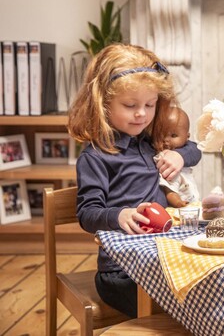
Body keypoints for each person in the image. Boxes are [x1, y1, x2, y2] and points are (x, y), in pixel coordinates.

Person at [68, 44, 202, 318]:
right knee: (190, 310)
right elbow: (87, 213)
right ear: (103, 103)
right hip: (121, 273)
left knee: (208, 290)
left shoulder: (150, 141)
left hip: (161, 259)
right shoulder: (96, 156)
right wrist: (120, 215)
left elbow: (194, 149)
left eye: (150, 105)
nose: (141, 113)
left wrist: (179, 156)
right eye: (130, 106)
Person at [155, 106, 201, 208]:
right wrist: (179, 203)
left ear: (187, 137)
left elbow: (197, 149)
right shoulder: (163, 159)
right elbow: (169, 191)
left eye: (173, 135)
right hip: (178, 209)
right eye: (161, 134)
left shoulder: (188, 150)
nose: (166, 140)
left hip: (192, 206)